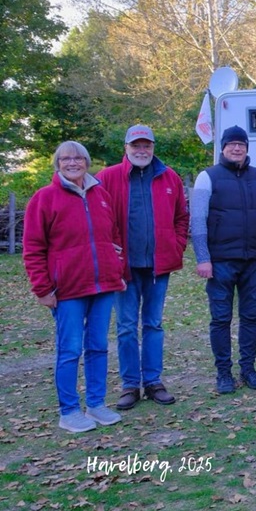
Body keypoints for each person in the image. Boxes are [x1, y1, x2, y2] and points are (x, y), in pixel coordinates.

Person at [24, 141, 126, 433]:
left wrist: (115, 268)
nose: (73, 163)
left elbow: (114, 236)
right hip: (67, 289)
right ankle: (68, 411)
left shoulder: (100, 195)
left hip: (103, 286)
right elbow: (32, 247)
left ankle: (96, 404)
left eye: (79, 158)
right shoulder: (44, 198)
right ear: (57, 163)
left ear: (86, 162)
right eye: (66, 159)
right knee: (69, 350)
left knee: (98, 347)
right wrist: (42, 288)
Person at [96, 125, 189, 410]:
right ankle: (129, 385)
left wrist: (176, 245)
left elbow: (181, 217)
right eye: (135, 145)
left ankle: (153, 382)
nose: (141, 150)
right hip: (123, 269)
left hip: (157, 267)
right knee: (125, 327)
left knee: (153, 324)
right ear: (125, 147)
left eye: (146, 145)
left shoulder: (168, 176)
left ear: (153, 147)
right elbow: (98, 219)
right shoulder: (107, 178)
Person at [191, 126, 256, 394]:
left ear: (247, 147)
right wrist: (203, 258)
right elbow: (197, 221)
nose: (237, 148)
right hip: (219, 262)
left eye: (241, 144)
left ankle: (248, 369)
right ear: (223, 147)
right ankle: (223, 373)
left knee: (250, 317)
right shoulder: (207, 177)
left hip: (254, 259)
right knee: (220, 319)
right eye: (232, 144)